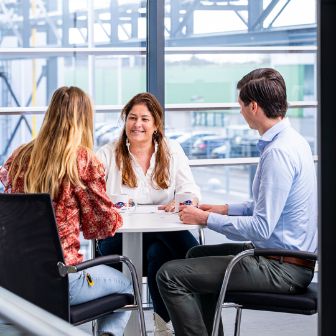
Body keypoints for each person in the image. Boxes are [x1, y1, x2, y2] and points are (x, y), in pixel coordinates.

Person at [156, 68, 318, 336]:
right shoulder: (292, 141)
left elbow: (262, 227)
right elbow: (267, 206)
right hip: (285, 257)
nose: (240, 112)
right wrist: (223, 209)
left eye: (241, 105)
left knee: (170, 275)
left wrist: (205, 219)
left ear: (253, 106)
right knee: (195, 255)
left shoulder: (278, 153)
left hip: (281, 267)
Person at [0, 86, 132, 336]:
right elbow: (101, 227)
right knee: (126, 282)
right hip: (63, 282)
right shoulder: (82, 160)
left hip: (15, 281)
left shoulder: (19, 156)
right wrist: (116, 210)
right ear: (84, 119)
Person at [96, 92, 201, 335]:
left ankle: (161, 327)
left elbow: (190, 190)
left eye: (144, 119)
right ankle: (197, 260)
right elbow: (92, 196)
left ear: (156, 124)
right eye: (132, 118)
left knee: (159, 252)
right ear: (125, 121)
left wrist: (182, 199)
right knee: (164, 242)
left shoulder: (171, 150)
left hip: (158, 243)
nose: (137, 124)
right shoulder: (108, 154)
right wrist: (117, 201)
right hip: (117, 243)